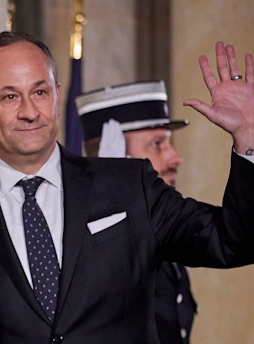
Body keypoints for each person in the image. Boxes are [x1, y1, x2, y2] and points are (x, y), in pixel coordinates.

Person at [0, 31, 254, 344]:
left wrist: (249, 138)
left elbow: (236, 241)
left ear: (57, 95)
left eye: (40, 92)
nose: (29, 111)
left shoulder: (130, 186)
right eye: (10, 96)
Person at [76, 80, 197, 343]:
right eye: (157, 144)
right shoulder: (78, 233)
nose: (175, 158)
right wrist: (113, 195)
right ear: (120, 157)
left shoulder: (161, 223)